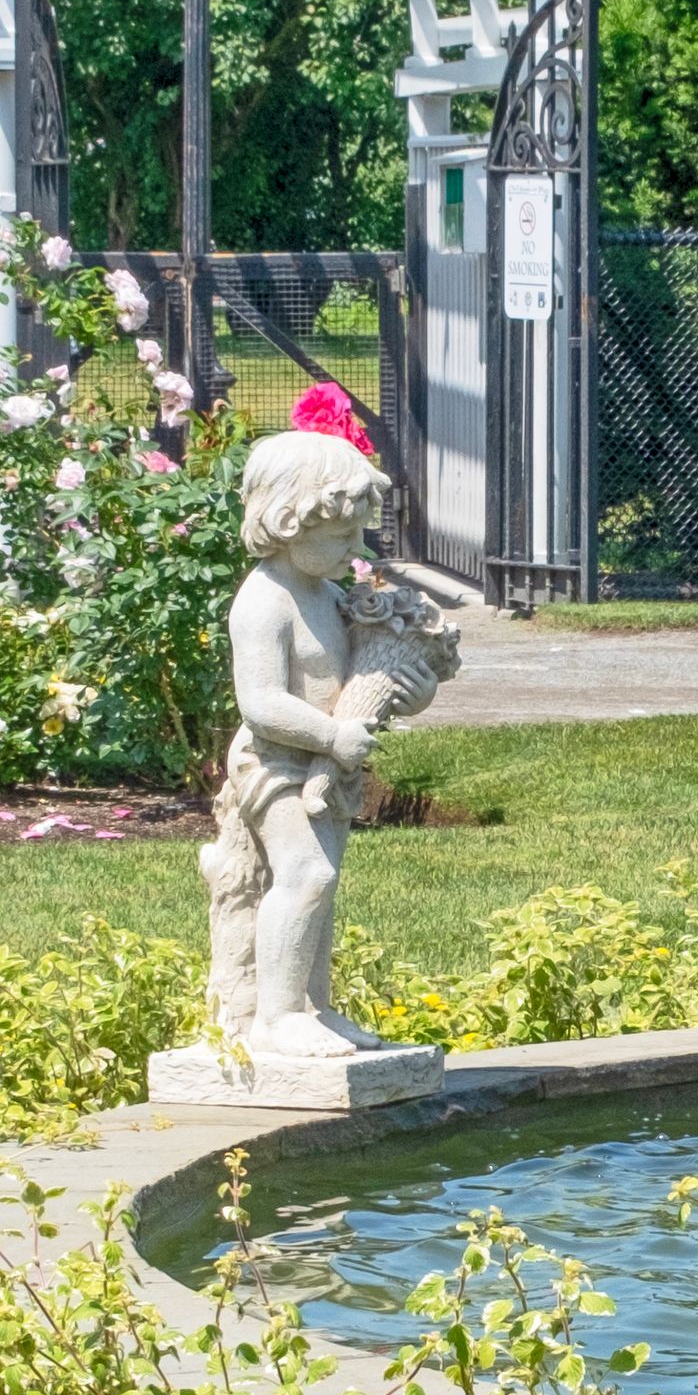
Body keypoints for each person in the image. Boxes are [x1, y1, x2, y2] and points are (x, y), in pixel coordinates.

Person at [197, 428, 452, 1062]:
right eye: (341, 536)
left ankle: (311, 1006)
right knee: (306, 873)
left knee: (320, 883)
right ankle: (275, 1018)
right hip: (276, 760)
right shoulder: (264, 602)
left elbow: (357, 678)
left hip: (327, 763)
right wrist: (333, 734)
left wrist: (409, 694)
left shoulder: (330, 596)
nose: (357, 549)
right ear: (286, 523)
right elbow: (259, 701)